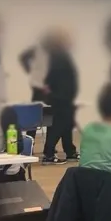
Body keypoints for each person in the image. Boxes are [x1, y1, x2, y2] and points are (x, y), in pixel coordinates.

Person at [41, 29, 79, 164]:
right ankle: (49, 155)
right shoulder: (59, 57)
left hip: (62, 97)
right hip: (61, 98)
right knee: (58, 126)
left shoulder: (57, 56)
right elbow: (57, 78)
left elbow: (49, 78)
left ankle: (70, 151)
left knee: (67, 125)